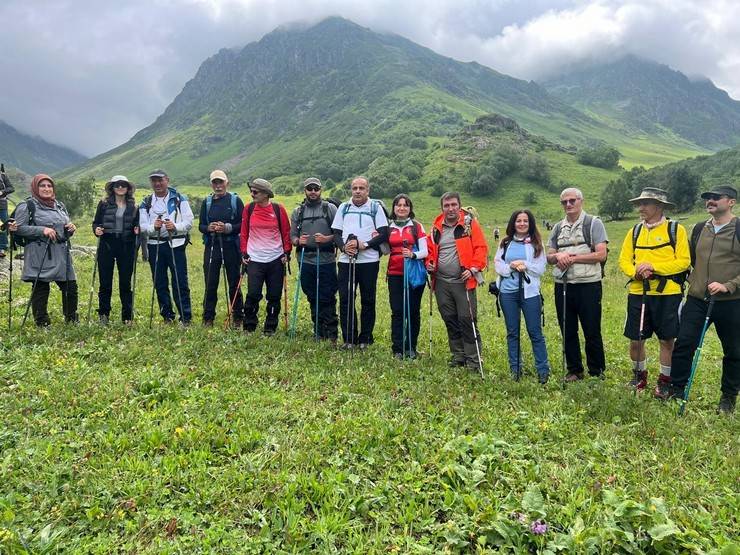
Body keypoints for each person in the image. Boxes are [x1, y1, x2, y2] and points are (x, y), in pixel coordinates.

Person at [668, 185, 740, 414]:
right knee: (684, 344)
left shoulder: (739, 228)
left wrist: (728, 286)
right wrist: (691, 278)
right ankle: (676, 389)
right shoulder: (699, 228)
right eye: (707, 198)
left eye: (716, 198)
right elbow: (689, 260)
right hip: (698, 299)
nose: (710, 201)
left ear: (731, 202)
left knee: (734, 350)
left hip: (731, 302)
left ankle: (728, 398)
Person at [618, 188, 689, 397]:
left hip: (668, 294)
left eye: (646, 203)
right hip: (638, 292)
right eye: (640, 203)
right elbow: (624, 260)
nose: (640, 208)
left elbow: (684, 262)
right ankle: (639, 377)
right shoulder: (635, 231)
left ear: (659, 206)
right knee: (635, 338)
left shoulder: (676, 230)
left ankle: (665, 381)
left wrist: (653, 267)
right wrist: (637, 272)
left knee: (667, 340)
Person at [547, 187, 608, 381]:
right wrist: (557, 255)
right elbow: (549, 256)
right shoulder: (557, 228)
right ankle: (574, 370)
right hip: (563, 284)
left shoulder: (593, 223)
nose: (568, 205)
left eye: (572, 200)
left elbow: (601, 254)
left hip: (588, 284)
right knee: (567, 328)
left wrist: (572, 257)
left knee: (591, 329)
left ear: (581, 201)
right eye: (564, 202)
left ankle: (597, 371)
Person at [426, 191, 488, 371]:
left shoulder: (469, 225)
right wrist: (429, 263)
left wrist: (473, 269)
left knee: (467, 319)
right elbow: (431, 251)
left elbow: (481, 248)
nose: (450, 209)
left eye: (454, 205)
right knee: (450, 319)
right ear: (442, 208)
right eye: (447, 205)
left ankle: (474, 360)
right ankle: (458, 355)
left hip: (463, 281)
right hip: (441, 282)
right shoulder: (436, 228)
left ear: (459, 206)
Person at [331, 176, 389, 348]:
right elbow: (335, 233)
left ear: (367, 190)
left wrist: (365, 245)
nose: (357, 191)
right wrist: (343, 248)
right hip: (346, 261)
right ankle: (349, 339)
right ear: (351, 190)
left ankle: (365, 338)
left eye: (361, 188)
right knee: (346, 299)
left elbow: (384, 233)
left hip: (369, 261)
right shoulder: (343, 207)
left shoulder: (375, 207)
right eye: (355, 188)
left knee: (368, 300)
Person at [13, 174, 78, 325]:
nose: (46, 189)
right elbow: (19, 229)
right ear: (36, 187)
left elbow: (64, 225)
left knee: (70, 286)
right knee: (41, 288)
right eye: (42, 185)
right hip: (40, 252)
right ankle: (42, 322)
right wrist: (42, 230)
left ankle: (71, 319)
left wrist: (71, 228)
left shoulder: (59, 205)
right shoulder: (27, 206)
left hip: (61, 253)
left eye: (49, 186)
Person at [494, 209, 550, 383]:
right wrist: (511, 267)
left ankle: (543, 370)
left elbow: (540, 268)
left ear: (530, 223)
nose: (522, 224)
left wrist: (524, 265)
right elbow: (498, 264)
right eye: (519, 221)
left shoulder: (536, 244)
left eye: (525, 221)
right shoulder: (505, 242)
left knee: (535, 331)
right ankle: (515, 369)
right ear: (513, 223)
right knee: (512, 332)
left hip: (530, 293)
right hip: (508, 292)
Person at [139, 169, 194, 325]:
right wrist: (153, 228)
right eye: (154, 181)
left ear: (167, 180)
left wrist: (175, 226)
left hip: (175, 244)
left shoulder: (179, 199)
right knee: (160, 282)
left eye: (160, 180)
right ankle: (167, 316)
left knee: (180, 281)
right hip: (154, 245)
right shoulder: (146, 202)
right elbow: (143, 226)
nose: (157, 183)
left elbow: (189, 222)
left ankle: (186, 317)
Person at [239, 178, 291, 335]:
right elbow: (244, 233)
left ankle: (270, 327)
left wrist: (287, 252)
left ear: (266, 194)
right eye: (251, 191)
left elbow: (286, 232)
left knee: (274, 295)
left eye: (255, 192)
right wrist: (244, 252)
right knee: (253, 294)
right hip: (254, 258)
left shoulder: (278, 209)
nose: (252, 194)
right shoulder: (248, 209)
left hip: (275, 258)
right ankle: (249, 325)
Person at [290, 177, 338, 341]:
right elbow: (293, 235)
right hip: (306, 259)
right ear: (305, 190)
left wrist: (326, 239)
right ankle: (318, 331)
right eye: (309, 188)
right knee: (312, 295)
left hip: (326, 259)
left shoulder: (329, 208)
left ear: (321, 190)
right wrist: (297, 241)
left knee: (327, 296)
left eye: (315, 188)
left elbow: (340, 234)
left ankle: (331, 333)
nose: (312, 191)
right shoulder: (298, 211)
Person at [198, 169, 244, 327]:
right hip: (212, 246)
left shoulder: (235, 201)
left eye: (221, 182)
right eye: (215, 183)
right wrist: (209, 228)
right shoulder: (207, 202)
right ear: (211, 184)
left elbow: (242, 225)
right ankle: (208, 317)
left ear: (227, 183)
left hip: (231, 245)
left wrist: (227, 228)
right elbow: (201, 226)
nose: (218, 186)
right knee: (210, 282)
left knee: (234, 282)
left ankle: (238, 316)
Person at [92, 176, 140, 324]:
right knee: (105, 282)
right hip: (107, 244)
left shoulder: (134, 206)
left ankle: (127, 317)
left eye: (123, 185)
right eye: (117, 185)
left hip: (126, 245)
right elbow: (96, 223)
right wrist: (97, 230)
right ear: (112, 188)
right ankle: (104, 315)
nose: (120, 187)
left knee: (125, 283)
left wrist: (138, 229)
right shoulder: (104, 204)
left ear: (128, 188)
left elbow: (137, 224)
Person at [386, 194, 428, 359]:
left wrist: (412, 254)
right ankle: (397, 348)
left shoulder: (417, 227)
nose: (401, 208)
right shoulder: (388, 227)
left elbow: (424, 251)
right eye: (398, 205)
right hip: (394, 274)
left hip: (413, 274)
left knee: (412, 310)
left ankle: (410, 346)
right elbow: (383, 248)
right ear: (394, 208)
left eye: (405, 205)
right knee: (397, 311)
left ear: (410, 209)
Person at [0, 166, 16, 258]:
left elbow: (11, 188)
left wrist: (2, 192)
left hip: (1, 205)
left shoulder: (2, 176)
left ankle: (2, 248)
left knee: (2, 226)